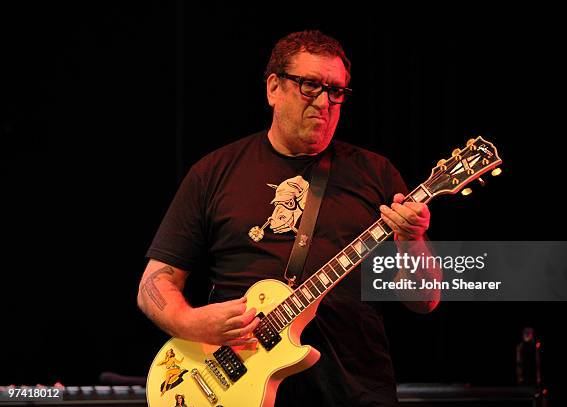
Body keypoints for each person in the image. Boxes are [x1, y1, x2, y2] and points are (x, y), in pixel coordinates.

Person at [138, 30, 439, 407]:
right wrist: (192, 323)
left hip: (354, 390)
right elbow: (155, 282)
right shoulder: (214, 172)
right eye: (310, 85)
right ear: (273, 88)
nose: (325, 102)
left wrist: (413, 240)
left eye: (336, 91)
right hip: (237, 389)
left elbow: (423, 301)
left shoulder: (376, 174)